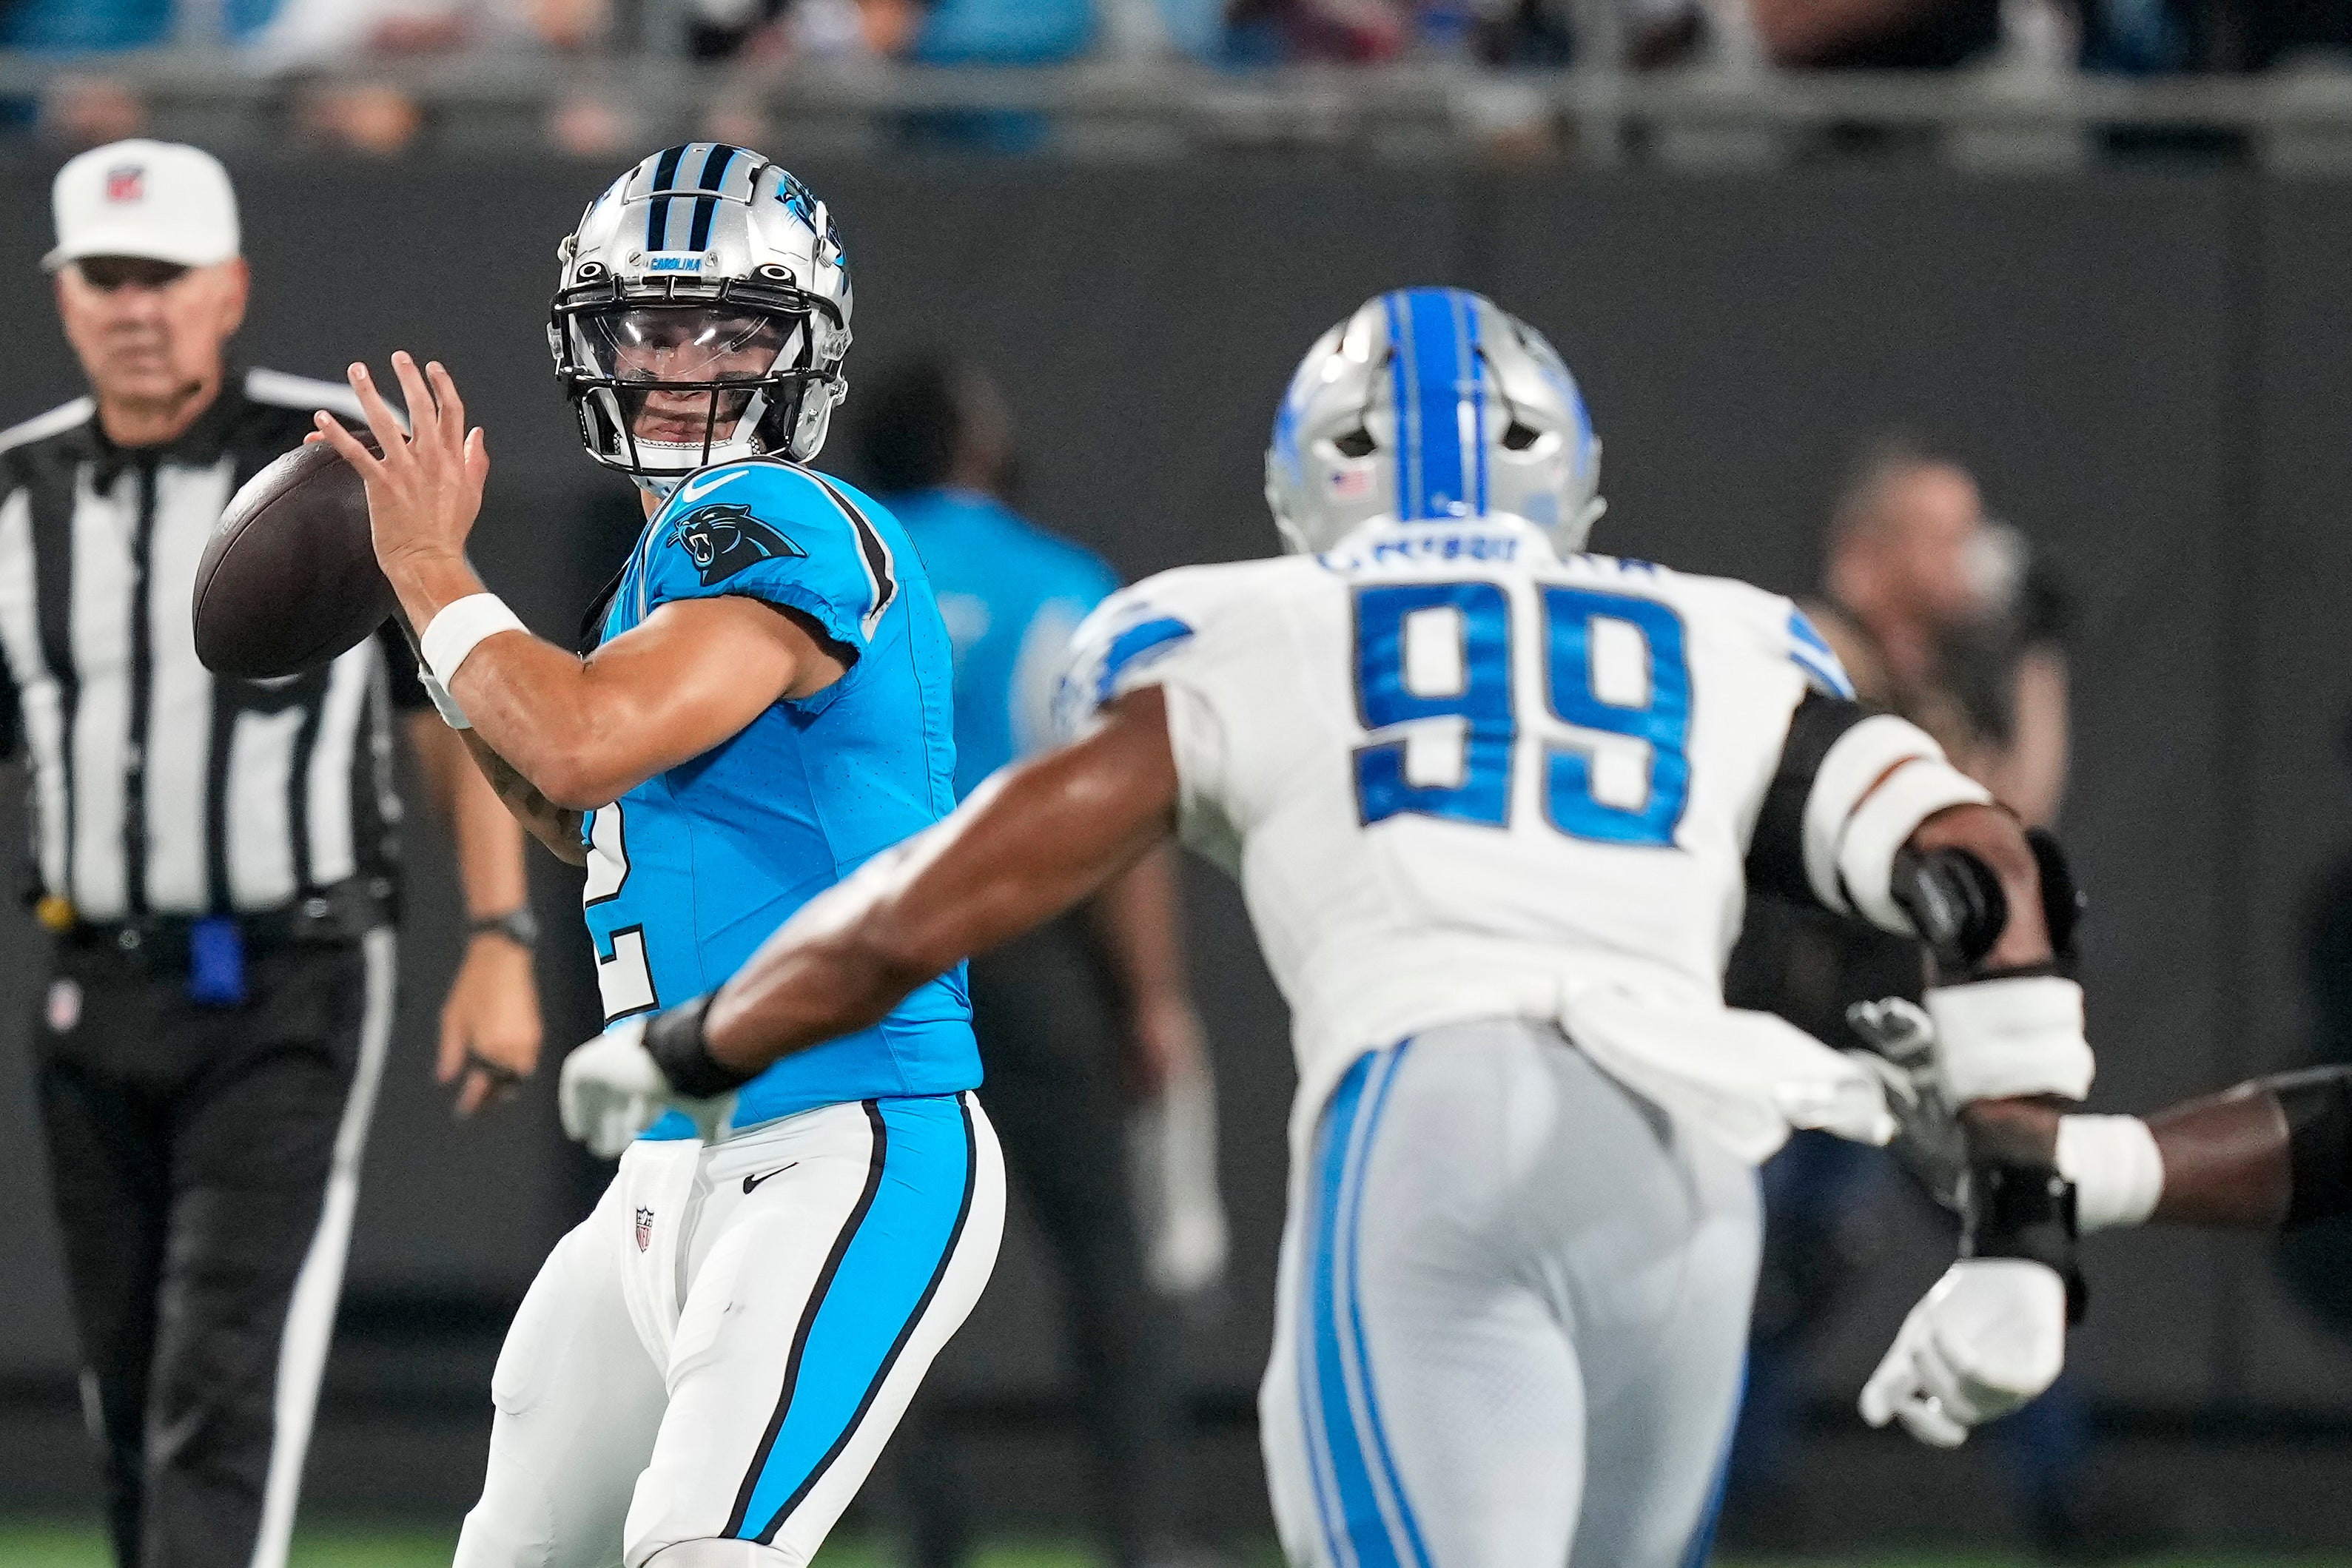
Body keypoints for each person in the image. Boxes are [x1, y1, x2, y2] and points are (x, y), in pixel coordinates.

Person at [562, 286, 2100, 1564]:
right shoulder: (1715, 632)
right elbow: (1983, 865)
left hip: (1431, 1117)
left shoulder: (1264, 622)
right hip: (1689, 1165)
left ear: (1312, 481)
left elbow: (944, 889)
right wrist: (2021, 1240)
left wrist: (709, 1036)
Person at [309, 144, 1005, 1568]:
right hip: (671, 1169)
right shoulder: (659, 571)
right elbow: (588, 820)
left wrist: (437, 575)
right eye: (652, 325)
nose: (685, 364)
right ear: (594, 346)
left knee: (704, 1554)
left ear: (802, 350)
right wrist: (428, 628)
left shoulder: (778, 520)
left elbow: (578, 742)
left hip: (845, 1136)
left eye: (735, 329)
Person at [8, 139, 542, 1568]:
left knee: (221, 1376)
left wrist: (500, 943)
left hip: (290, 980)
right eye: (107, 279)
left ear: (229, 287)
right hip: (89, 982)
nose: (136, 308)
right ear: (66, 299)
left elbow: (463, 699)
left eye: (165, 278)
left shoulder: (338, 460)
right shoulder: (15, 496)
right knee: (125, 1393)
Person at [853, 356, 1224, 1568]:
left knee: (883, 1245)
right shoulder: (1062, 585)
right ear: (978, 442)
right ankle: (1144, 1527)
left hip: (868, 946)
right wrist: (1152, 998)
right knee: (1099, 1251)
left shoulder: (832, 567)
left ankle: (919, 1524)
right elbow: (1117, 815)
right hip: (1031, 945)